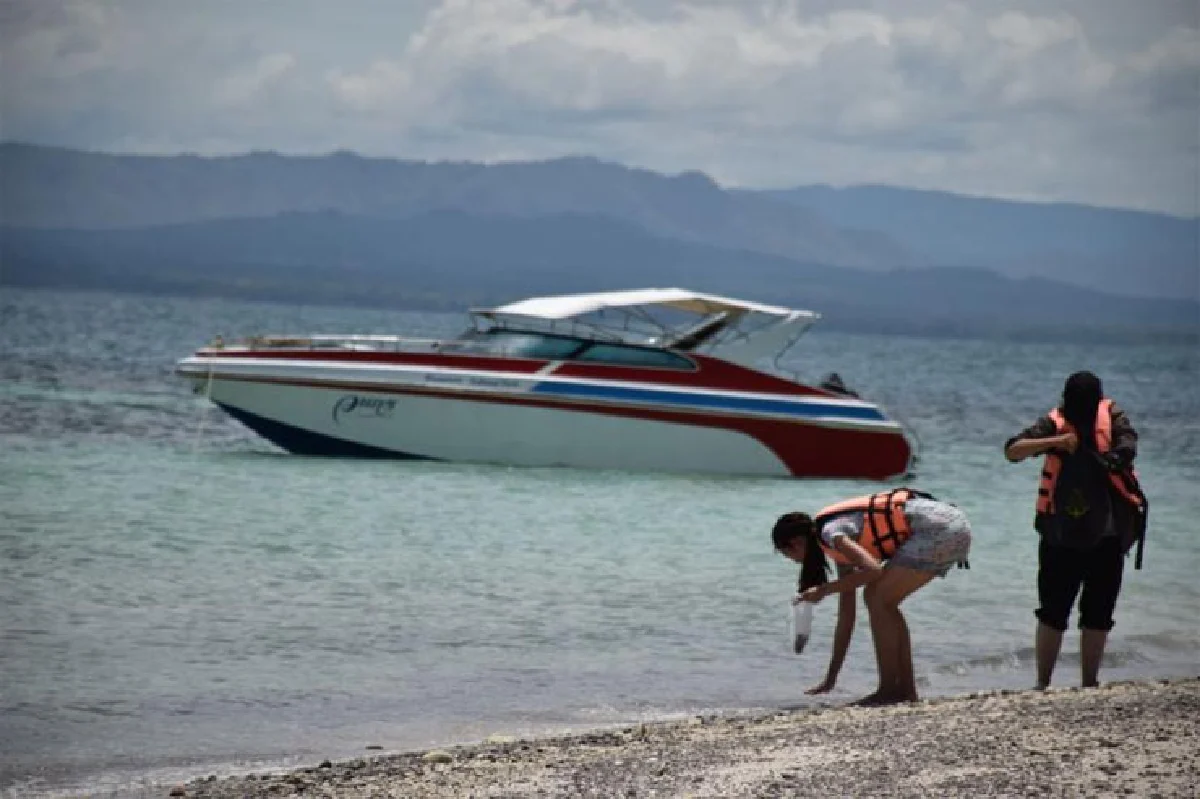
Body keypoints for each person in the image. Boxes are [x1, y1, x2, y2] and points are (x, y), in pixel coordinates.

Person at [1004, 370, 1145, 690]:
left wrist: (1111, 458)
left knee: (1098, 612)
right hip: (1060, 535)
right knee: (1053, 611)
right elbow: (1013, 450)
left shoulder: (1113, 418)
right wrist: (1056, 442)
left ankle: (1089, 683)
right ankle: (1042, 683)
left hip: (1108, 536)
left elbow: (1128, 446)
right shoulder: (1055, 422)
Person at [772, 488, 972, 705]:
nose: (791, 560)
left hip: (939, 530)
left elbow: (873, 570)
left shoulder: (831, 533)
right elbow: (846, 617)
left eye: (786, 553)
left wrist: (824, 590)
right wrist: (831, 678)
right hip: (952, 527)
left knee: (876, 597)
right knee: (884, 602)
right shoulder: (839, 549)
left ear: (796, 543)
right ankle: (906, 691)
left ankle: (887, 690)